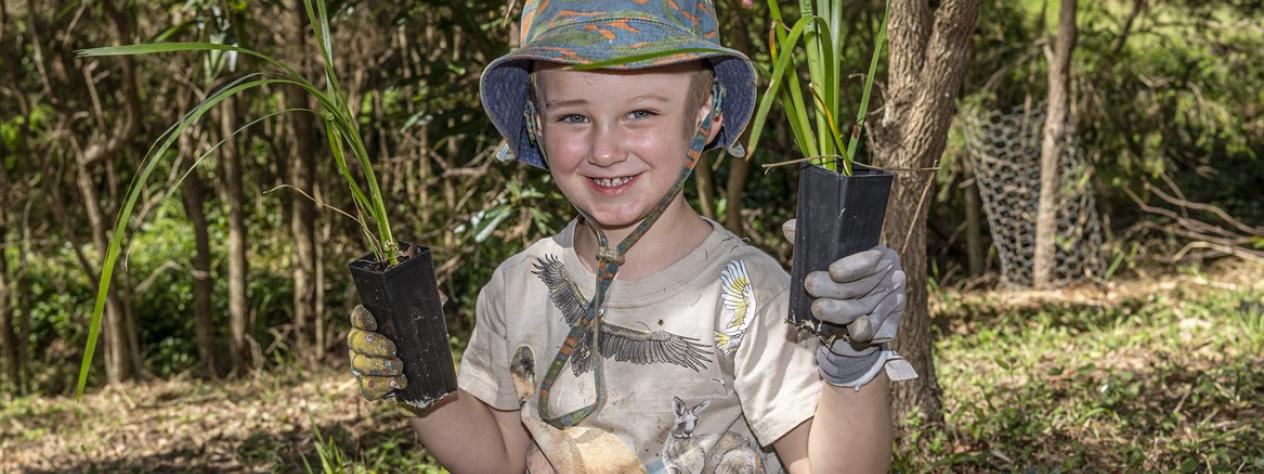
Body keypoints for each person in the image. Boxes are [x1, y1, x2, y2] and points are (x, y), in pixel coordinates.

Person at [348, 1, 916, 472]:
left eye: (641, 113)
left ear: (706, 117)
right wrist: (419, 383)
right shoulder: (517, 287)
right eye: (573, 117)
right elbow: (496, 457)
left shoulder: (746, 294)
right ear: (534, 127)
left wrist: (852, 363)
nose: (604, 150)